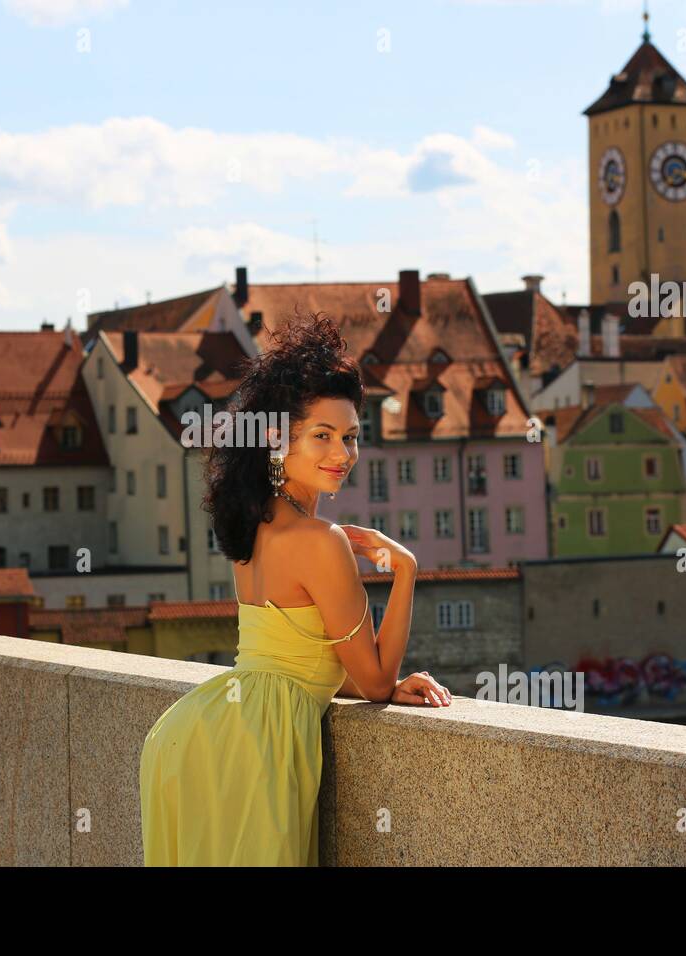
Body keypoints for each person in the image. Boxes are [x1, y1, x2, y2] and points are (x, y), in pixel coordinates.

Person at [138, 313, 452, 866]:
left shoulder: (250, 522)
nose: (342, 454)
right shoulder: (320, 539)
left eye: (351, 437)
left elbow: (296, 661)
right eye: (323, 436)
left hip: (196, 736)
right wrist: (403, 569)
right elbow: (375, 682)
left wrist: (367, 683)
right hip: (258, 750)